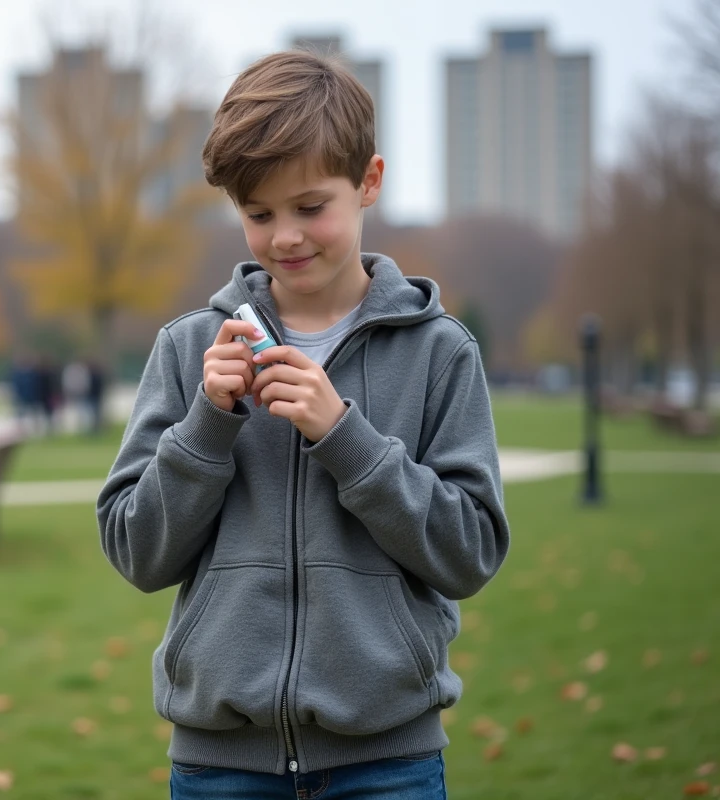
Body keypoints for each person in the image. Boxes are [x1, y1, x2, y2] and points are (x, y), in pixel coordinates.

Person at [97, 50, 509, 799]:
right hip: (219, 765)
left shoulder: (439, 351)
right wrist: (206, 426)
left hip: (388, 763)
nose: (285, 236)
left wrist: (344, 438)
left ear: (369, 184)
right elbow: (136, 551)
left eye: (310, 206)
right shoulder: (190, 349)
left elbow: (470, 553)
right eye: (259, 215)